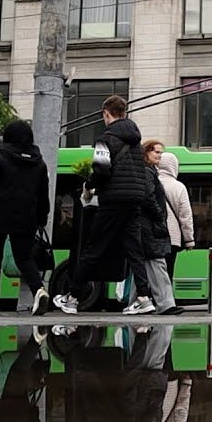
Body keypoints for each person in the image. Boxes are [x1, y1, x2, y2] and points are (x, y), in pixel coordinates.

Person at [55, 96, 156, 316]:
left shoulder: (106, 139)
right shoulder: (137, 143)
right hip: (134, 202)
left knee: (93, 249)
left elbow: (101, 170)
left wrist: (89, 186)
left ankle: (71, 297)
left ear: (106, 113)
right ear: (124, 112)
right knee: (134, 251)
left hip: (112, 202)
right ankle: (144, 298)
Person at [0, 121, 51, 317]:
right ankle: (39, 290)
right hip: (27, 217)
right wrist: (42, 218)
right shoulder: (39, 163)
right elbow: (43, 195)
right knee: (24, 257)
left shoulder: (0, 159)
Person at [141, 141, 182, 315]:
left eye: (161, 153)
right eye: (157, 152)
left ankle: (139, 302)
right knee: (158, 265)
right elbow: (149, 197)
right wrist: (159, 216)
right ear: (147, 153)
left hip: (147, 227)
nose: (159, 155)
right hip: (151, 227)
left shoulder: (148, 172)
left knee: (144, 267)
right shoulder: (148, 173)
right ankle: (166, 304)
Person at [154, 148, 195, 280]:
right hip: (172, 238)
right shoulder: (178, 186)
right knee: (167, 273)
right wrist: (189, 239)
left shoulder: (150, 182)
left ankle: (149, 298)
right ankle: (165, 299)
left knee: (153, 272)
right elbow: (185, 215)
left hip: (153, 236)